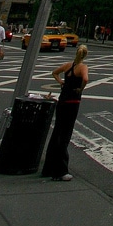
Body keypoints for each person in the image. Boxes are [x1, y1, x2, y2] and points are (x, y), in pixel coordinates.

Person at [42, 44, 89, 181]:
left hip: (62, 101)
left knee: (57, 132)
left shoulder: (68, 65)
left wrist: (61, 81)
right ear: (85, 55)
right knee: (65, 136)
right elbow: (85, 79)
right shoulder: (83, 67)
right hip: (73, 103)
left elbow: (54, 72)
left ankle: (48, 168)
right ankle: (60, 171)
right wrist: (81, 89)